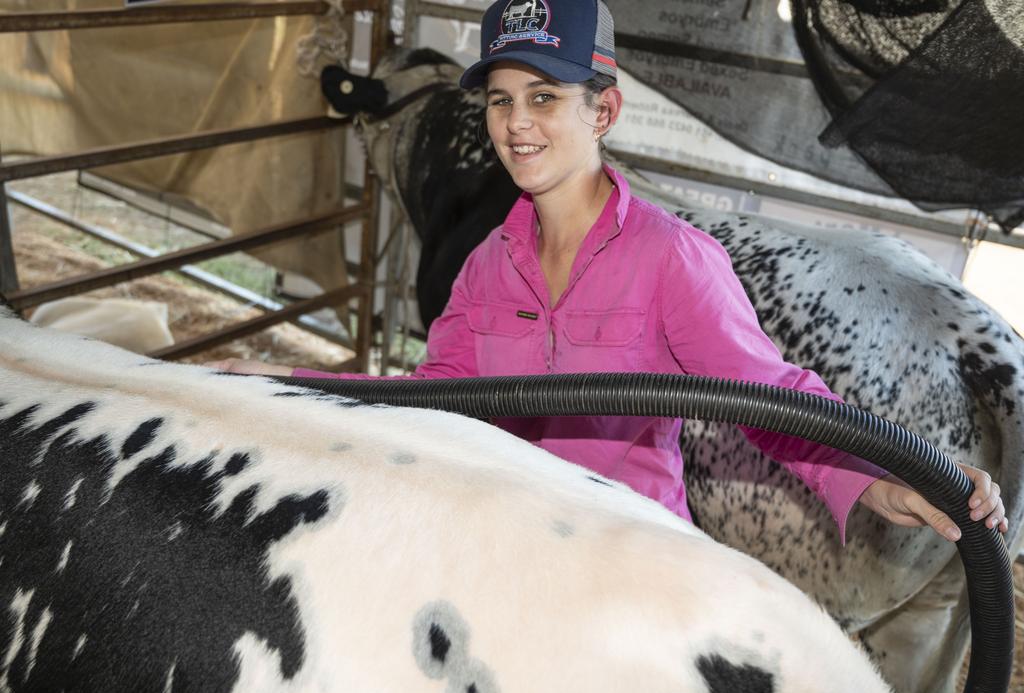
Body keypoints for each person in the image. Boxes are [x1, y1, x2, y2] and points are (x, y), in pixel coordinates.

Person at [211, 0, 1005, 542]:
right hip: (510, 541)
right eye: (499, 99)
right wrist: (285, 381)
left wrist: (883, 475)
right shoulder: (487, 265)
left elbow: (770, 397)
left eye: (545, 97)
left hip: (631, 557)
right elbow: (432, 401)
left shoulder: (672, 258)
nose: (516, 124)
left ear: (604, 111)